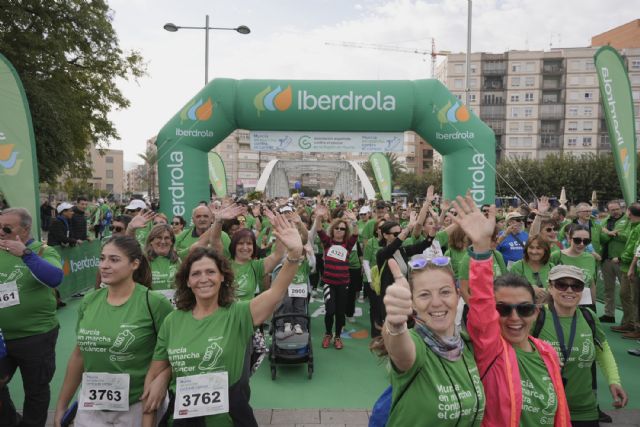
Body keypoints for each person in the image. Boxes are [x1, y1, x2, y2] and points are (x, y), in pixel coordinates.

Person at [143, 213, 303, 426]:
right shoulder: (172, 321)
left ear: (222, 277)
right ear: (187, 281)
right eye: (196, 274)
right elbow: (154, 375)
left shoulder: (239, 313)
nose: (204, 279)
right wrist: (163, 379)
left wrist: (294, 254)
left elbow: (276, 292)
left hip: (230, 420)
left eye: (210, 272)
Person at [451, 195, 571, 427]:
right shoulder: (491, 349)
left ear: (536, 312)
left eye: (524, 309)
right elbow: (481, 301)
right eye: (503, 309)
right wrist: (481, 249)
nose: (514, 317)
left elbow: (561, 413)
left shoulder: (548, 353)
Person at [54, 236, 173, 426]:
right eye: (102, 258)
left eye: (114, 260)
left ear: (135, 264)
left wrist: (163, 378)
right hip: (91, 404)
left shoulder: (154, 303)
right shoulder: (89, 301)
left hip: (137, 405)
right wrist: (61, 405)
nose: (104, 265)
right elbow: (79, 356)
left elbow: (172, 352)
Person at [371, 255, 485, 426]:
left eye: (445, 292)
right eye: (424, 295)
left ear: (458, 295)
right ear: (413, 303)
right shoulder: (417, 346)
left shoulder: (468, 346)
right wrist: (395, 323)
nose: (437, 302)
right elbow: (401, 350)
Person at [534, 265, 628, 426]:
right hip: (544, 408)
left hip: (584, 410)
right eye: (561, 284)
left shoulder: (588, 316)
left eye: (576, 286)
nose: (569, 290)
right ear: (550, 287)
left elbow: (603, 351)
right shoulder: (536, 316)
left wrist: (614, 381)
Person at [0, 208, 64, 426]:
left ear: (25, 229)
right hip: (2, 337)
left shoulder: (43, 251)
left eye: (6, 228)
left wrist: (25, 254)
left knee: (35, 390)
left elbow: (55, 278)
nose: (0, 231)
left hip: (36, 335)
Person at [312, 204, 359, 349]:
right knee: (330, 311)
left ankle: (337, 337)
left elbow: (356, 234)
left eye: (342, 229)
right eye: (337, 228)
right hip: (329, 283)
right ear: (333, 230)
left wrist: (354, 221)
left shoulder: (348, 245)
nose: (339, 230)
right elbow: (319, 230)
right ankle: (328, 334)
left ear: (346, 232)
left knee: (340, 313)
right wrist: (319, 216)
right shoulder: (327, 243)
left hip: (343, 283)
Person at [550, 225, 597, 310]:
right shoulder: (556, 256)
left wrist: (593, 304)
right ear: (569, 239)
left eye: (586, 241)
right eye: (577, 240)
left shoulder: (590, 258)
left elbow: (591, 282)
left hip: (585, 304)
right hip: (562, 305)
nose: (581, 244)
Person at [599, 200, 628, 324]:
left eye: (617, 209)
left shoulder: (628, 220)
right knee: (608, 289)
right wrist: (610, 234)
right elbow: (601, 237)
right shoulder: (605, 220)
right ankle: (609, 314)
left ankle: (628, 320)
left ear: (621, 208)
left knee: (626, 293)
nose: (615, 212)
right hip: (606, 260)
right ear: (608, 210)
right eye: (612, 210)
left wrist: (612, 234)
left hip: (622, 260)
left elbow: (628, 237)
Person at [617, 203, 640, 339]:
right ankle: (630, 323)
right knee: (626, 295)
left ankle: (636, 326)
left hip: (633, 267)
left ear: (629, 213)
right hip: (628, 266)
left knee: (635, 299)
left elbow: (636, 248)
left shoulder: (637, 227)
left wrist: (624, 259)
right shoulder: (632, 225)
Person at [509, 235, 554, 303]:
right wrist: (529, 289)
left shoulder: (551, 267)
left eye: (538, 248)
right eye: (531, 247)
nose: (534, 251)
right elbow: (510, 291)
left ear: (545, 250)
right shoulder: (517, 267)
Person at [145, 224, 180, 301]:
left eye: (167, 238)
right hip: (150, 305)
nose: (163, 241)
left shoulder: (179, 258)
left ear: (171, 242)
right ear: (151, 241)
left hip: (175, 307)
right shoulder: (144, 259)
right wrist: (131, 228)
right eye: (159, 237)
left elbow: (199, 244)